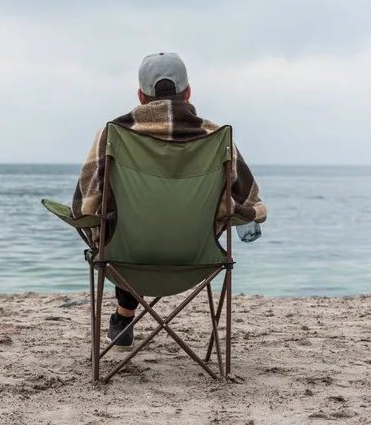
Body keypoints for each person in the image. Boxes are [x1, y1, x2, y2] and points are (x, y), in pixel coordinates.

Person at [72, 52, 267, 349]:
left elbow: (85, 207)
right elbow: (250, 200)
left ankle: (124, 315)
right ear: (188, 92)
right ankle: (125, 314)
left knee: (114, 224)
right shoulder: (216, 138)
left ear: (140, 96)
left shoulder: (112, 135)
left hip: (124, 261)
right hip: (197, 260)